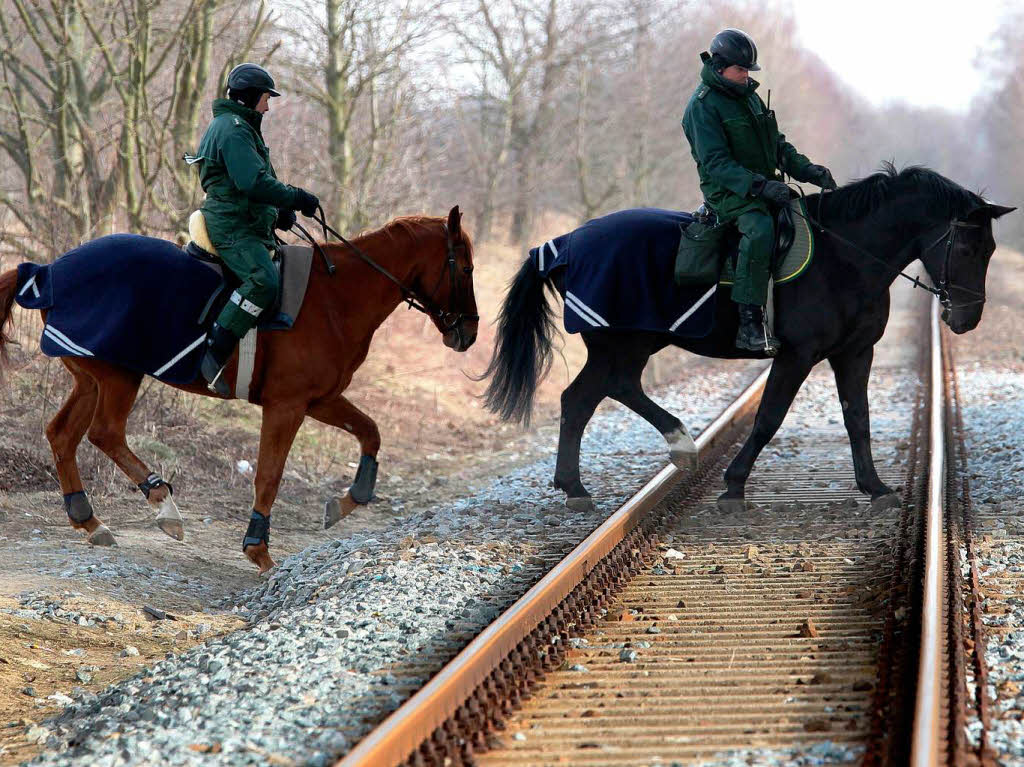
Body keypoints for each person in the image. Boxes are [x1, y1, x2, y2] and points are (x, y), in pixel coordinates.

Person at [682, 29, 836, 355]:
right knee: (760, 228)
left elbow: (777, 145)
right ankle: (749, 323)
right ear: (721, 66)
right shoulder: (702, 107)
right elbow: (716, 164)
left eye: (749, 70)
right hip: (729, 194)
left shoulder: (748, 96)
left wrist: (808, 171)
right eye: (741, 69)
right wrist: (760, 186)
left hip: (764, 186)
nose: (746, 75)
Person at [189, 63, 320, 394]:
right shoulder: (234, 130)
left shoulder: (239, 127)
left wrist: (278, 213)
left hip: (243, 219)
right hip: (232, 226)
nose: (268, 105)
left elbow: (249, 184)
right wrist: (296, 198)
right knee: (264, 281)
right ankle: (215, 353)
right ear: (249, 98)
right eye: (265, 98)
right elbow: (252, 182)